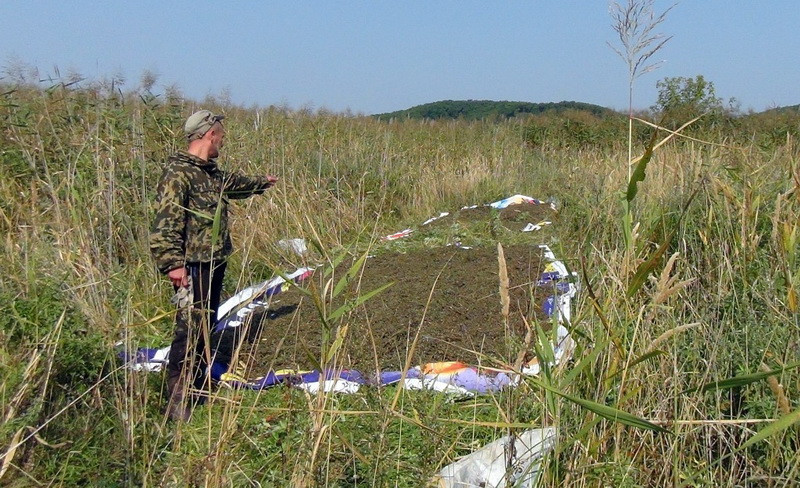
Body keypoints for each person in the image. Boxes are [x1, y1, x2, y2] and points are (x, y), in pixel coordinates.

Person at [150, 110, 278, 421]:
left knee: (205, 324)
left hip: (213, 262)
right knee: (189, 329)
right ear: (209, 135)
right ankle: (177, 401)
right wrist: (173, 266)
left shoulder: (211, 173)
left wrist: (264, 182)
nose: (223, 140)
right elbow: (165, 224)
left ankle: (197, 384)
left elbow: (237, 183)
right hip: (191, 267)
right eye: (220, 135)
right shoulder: (178, 173)